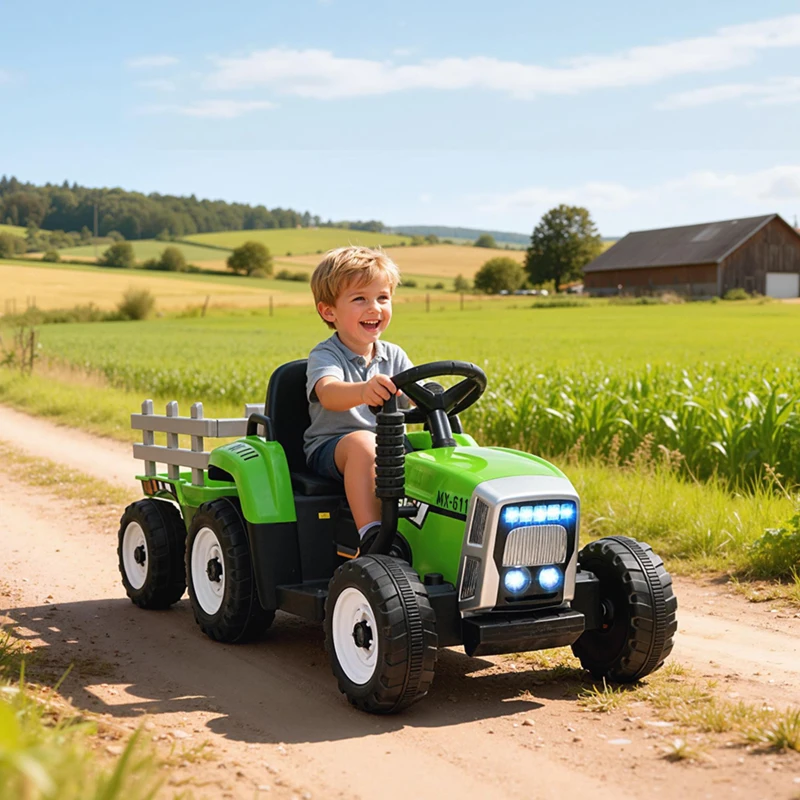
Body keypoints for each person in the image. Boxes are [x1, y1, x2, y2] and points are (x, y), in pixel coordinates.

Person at [304, 246, 412, 545]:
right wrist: (364, 390)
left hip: (389, 443)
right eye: (360, 299)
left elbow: (414, 394)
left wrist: (428, 395)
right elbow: (328, 393)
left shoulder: (395, 355)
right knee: (364, 443)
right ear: (329, 311)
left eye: (382, 298)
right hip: (333, 448)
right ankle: (373, 536)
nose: (374, 308)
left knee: (445, 450)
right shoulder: (326, 354)